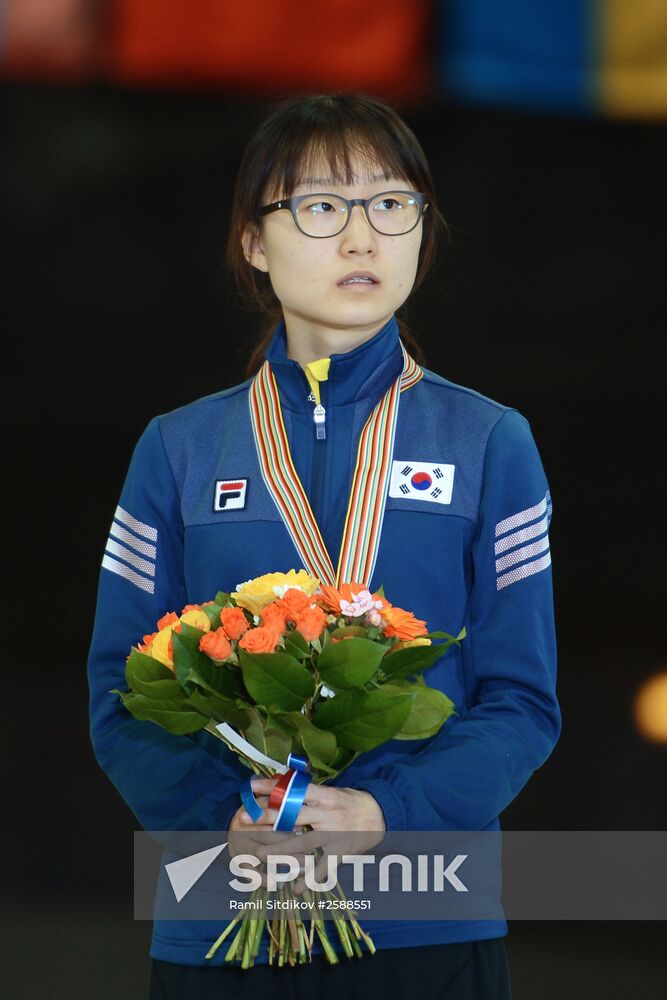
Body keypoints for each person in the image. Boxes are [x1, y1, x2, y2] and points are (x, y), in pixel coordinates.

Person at [87, 92, 561, 999]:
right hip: (219, 917)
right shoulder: (178, 449)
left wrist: (389, 813)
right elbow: (120, 692)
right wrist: (219, 822)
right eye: (320, 206)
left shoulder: (489, 441)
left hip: (428, 914)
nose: (362, 238)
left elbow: (521, 703)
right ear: (254, 244)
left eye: (392, 204)